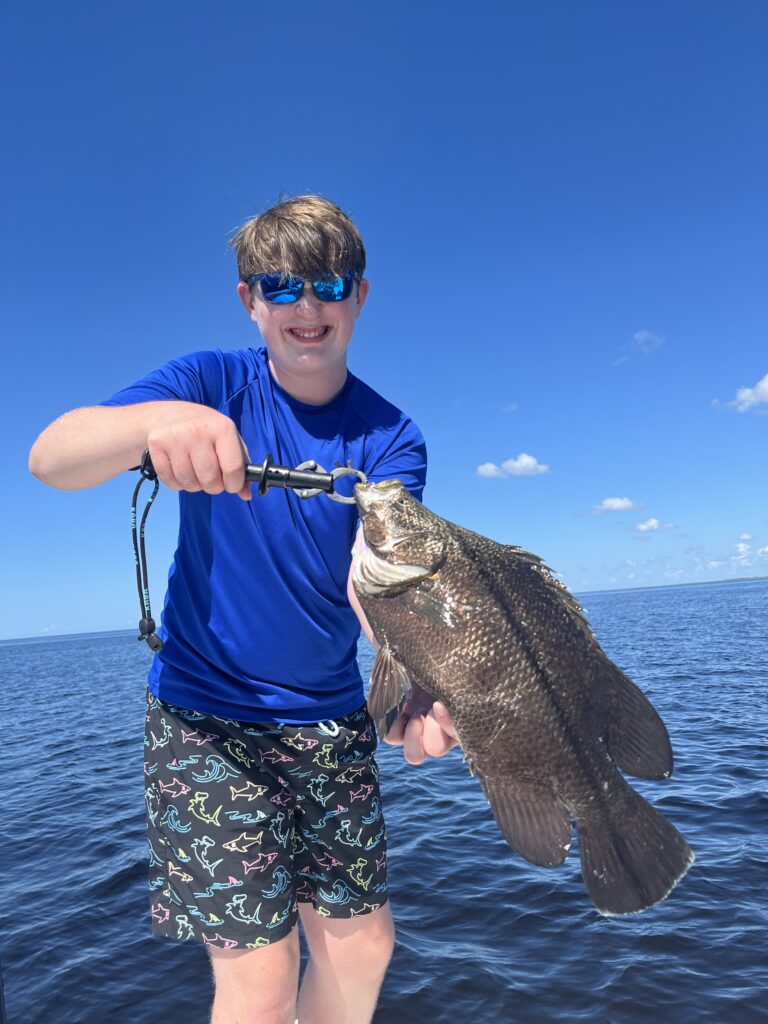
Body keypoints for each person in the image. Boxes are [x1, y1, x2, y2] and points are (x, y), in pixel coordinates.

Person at [29, 195, 459, 1024]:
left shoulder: (392, 435)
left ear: (360, 297)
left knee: (363, 945)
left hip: (331, 722)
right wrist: (160, 419)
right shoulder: (208, 381)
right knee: (260, 981)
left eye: (330, 284)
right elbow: (52, 457)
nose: (308, 306)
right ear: (249, 300)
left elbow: (376, 583)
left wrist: (417, 686)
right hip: (205, 722)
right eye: (281, 285)